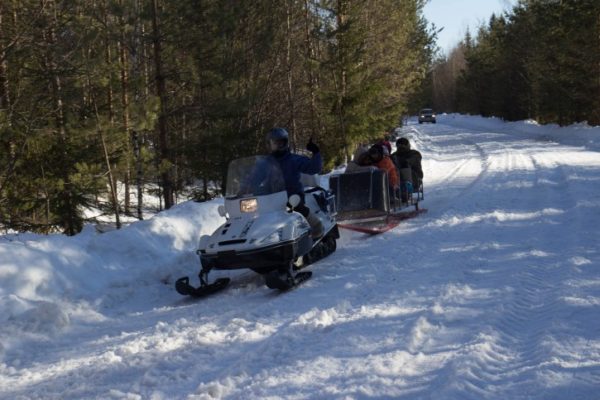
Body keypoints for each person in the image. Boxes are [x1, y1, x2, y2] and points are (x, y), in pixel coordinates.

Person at [267, 127, 323, 238]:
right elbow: (254, 176)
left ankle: (317, 227)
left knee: (297, 208)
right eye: (274, 143)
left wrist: (316, 152)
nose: (277, 146)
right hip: (272, 198)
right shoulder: (266, 162)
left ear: (285, 143)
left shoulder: (293, 160)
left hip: (293, 196)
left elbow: (314, 168)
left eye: (280, 143)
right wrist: (244, 188)